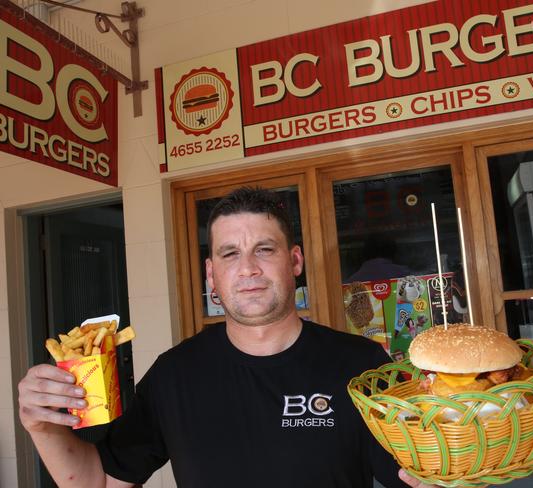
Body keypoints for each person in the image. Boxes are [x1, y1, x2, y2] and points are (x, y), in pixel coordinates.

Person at [18, 187, 435, 487]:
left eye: (265, 249)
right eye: (230, 253)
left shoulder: (363, 365)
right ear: (211, 274)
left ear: (294, 262)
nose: (248, 268)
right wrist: (41, 427)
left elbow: (415, 475)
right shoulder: (174, 375)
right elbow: (99, 484)